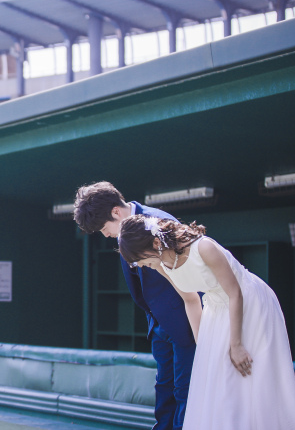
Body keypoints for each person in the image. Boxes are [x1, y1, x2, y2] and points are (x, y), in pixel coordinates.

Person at [117, 215, 295, 430]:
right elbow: (190, 299)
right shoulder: (160, 265)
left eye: (141, 259)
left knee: (247, 372)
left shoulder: (204, 248)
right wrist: (202, 343)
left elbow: (235, 293)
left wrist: (236, 344)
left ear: (157, 243)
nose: (141, 265)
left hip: (250, 303)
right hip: (215, 309)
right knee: (215, 376)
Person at [74, 182, 196, 430]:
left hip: (186, 325)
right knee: (165, 392)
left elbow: (194, 281)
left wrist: (198, 332)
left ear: (116, 212)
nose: (105, 234)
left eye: (104, 228)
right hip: (160, 326)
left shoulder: (159, 223)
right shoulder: (125, 228)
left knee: (185, 392)